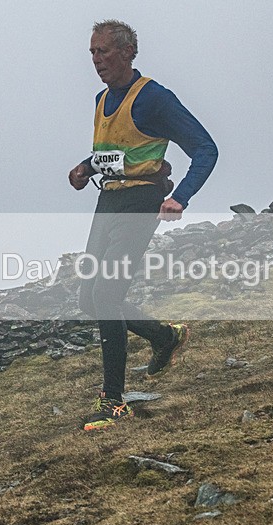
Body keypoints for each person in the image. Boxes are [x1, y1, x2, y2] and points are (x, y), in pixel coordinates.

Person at [68, 20, 217, 431]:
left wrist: (180, 196)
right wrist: (83, 168)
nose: (97, 61)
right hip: (108, 199)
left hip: (141, 201)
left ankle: (113, 401)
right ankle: (165, 336)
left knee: (108, 293)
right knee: (89, 299)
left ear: (128, 52)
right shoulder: (101, 99)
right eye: (93, 53)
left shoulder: (154, 98)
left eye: (104, 52)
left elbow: (205, 148)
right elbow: (112, 154)